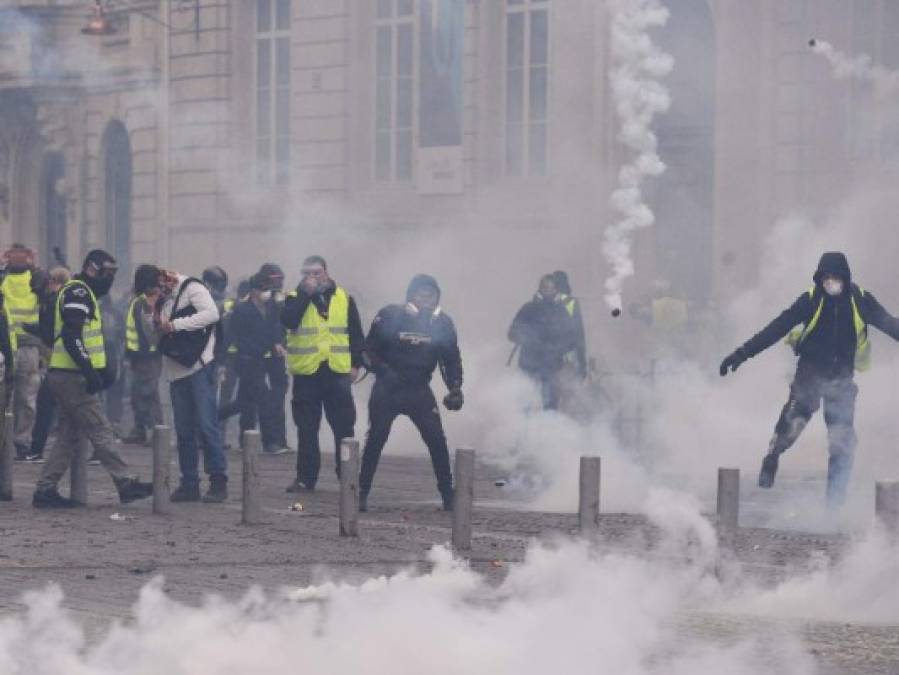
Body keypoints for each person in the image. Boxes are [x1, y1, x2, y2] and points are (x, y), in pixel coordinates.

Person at [720, 251, 899, 505]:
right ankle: (772, 457)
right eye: (826, 277)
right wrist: (741, 354)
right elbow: (777, 327)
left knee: (843, 443)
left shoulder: (860, 300)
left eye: (836, 277)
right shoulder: (811, 300)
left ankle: (834, 504)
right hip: (810, 376)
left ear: (845, 278)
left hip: (842, 381)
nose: (831, 282)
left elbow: (890, 325)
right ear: (819, 278)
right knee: (791, 425)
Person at [32, 250, 153, 508]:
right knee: (100, 428)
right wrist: (89, 371)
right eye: (106, 273)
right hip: (72, 377)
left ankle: (45, 489)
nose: (109, 279)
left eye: (113, 274)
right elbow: (71, 335)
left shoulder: (83, 293)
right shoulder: (79, 292)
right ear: (91, 269)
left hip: (66, 375)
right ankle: (125, 482)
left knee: (69, 435)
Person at [359, 274, 463, 512]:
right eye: (421, 293)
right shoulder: (390, 315)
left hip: (419, 390)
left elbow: (451, 359)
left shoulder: (443, 323)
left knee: (437, 439)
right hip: (388, 389)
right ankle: (361, 491)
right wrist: (384, 371)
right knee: (376, 438)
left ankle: (448, 495)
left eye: (432, 294)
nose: (427, 299)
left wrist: (455, 387)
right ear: (411, 296)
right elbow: (366, 351)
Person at [143, 268, 228, 503]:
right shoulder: (156, 302)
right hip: (175, 371)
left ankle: (218, 481)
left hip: (200, 367)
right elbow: (153, 339)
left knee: (206, 424)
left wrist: (175, 324)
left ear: (163, 281)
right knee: (183, 431)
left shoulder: (192, 287)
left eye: (157, 290)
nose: (156, 294)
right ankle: (189, 483)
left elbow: (211, 314)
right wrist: (151, 314)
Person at [281, 255, 364, 492]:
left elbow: (356, 335)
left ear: (326, 272)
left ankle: (347, 475)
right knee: (307, 428)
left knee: (344, 427)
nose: (312, 277)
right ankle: (306, 478)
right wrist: (305, 295)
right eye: (306, 273)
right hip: (307, 373)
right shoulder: (294, 298)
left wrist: (356, 364)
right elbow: (288, 321)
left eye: (316, 272)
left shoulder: (344, 298)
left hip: (337, 373)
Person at [218, 272, 287, 454]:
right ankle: (270, 442)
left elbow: (273, 329)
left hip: (261, 360)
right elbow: (230, 335)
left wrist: (276, 343)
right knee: (263, 399)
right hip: (246, 361)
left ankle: (210, 419)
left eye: (268, 289)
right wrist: (221, 362)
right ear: (254, 291)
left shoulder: (271, 307)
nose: (266, 293)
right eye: (263, 289)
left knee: (244, 403)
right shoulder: (242, 310)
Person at [21, 266, 70, 462]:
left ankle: (37, 450)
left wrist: (31, 329)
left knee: (46, 406)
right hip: (61, 363)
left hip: (59, 363)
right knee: (65, 408)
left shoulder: (55, 301)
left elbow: (49, 332)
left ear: (54, 281)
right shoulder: (61, 300)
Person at [508, 274, 576, 410]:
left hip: (552, 367)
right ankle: (524, 430)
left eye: (551, 288)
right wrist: (525, 337)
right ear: (540, 289)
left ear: (556, 290)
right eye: (545, 288)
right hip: (529, 366)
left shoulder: (561, 311)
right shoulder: (528, 309)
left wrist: (561, 354)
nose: (548, 291)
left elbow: (570, 339)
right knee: (526, 405)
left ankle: (548, 430)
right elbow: (512, 333)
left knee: (550, 406)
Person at [1, 244, 43, 459]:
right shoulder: (4, 278)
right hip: (11, 345)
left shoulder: (36, 279)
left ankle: (20, 442)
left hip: (26, 345)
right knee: (19, 396)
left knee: (25, 397)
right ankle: (17, 441)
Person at [122, 265, 164, 445]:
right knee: (138, 394)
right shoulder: (141, 302)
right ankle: (140, 430)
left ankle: (157, 432)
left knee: (149, 394)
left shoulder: (144, 303)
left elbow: (149, 333)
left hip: (147, 356)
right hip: (140, 356)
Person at [257, 262, 290, 452]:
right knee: (265, 399)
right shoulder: (260, 301)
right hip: (262, 356)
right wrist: (276, 341)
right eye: (276, 279)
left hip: (276, 356)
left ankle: (280, 440)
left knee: (277, 397)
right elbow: (270, 325)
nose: (280, 283)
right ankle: (271, 441)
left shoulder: (280, 299)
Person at [552, 270, 587, 380]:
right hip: (565, 355)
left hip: (560, 356)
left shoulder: (567, 302)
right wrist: (582, 362)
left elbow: (578, 331)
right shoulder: (570, 302)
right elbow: (579, 332)